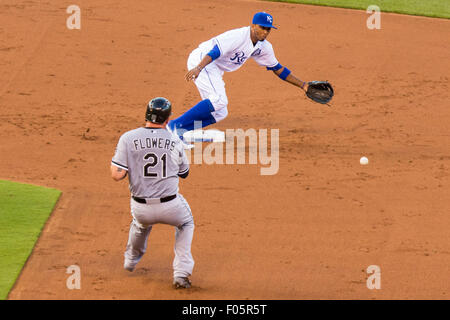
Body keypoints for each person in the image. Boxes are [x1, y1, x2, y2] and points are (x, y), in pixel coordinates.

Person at [168, 11, 309, 139]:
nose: (265, 32)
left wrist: (303, 85)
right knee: (218, 100)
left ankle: (179, 131)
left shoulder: (264, 47)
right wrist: (198, 67)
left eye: (268, 29)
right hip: (203, 60)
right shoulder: (238, 36)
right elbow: (215, 51)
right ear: (253, 25)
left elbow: (278, 68)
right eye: (262, 27)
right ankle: (173, 126)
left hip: (214, 68)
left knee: (220, 112)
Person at [110, 97, 194, 289]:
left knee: (140, 224)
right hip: (172, 207)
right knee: (186, 223)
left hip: (141, 208)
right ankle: (181, 274)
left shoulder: (128, 138)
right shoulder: (174, 141)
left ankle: (130, 260)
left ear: (146, 115)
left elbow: (117, 174)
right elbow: (185, 173)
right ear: (167, 120)